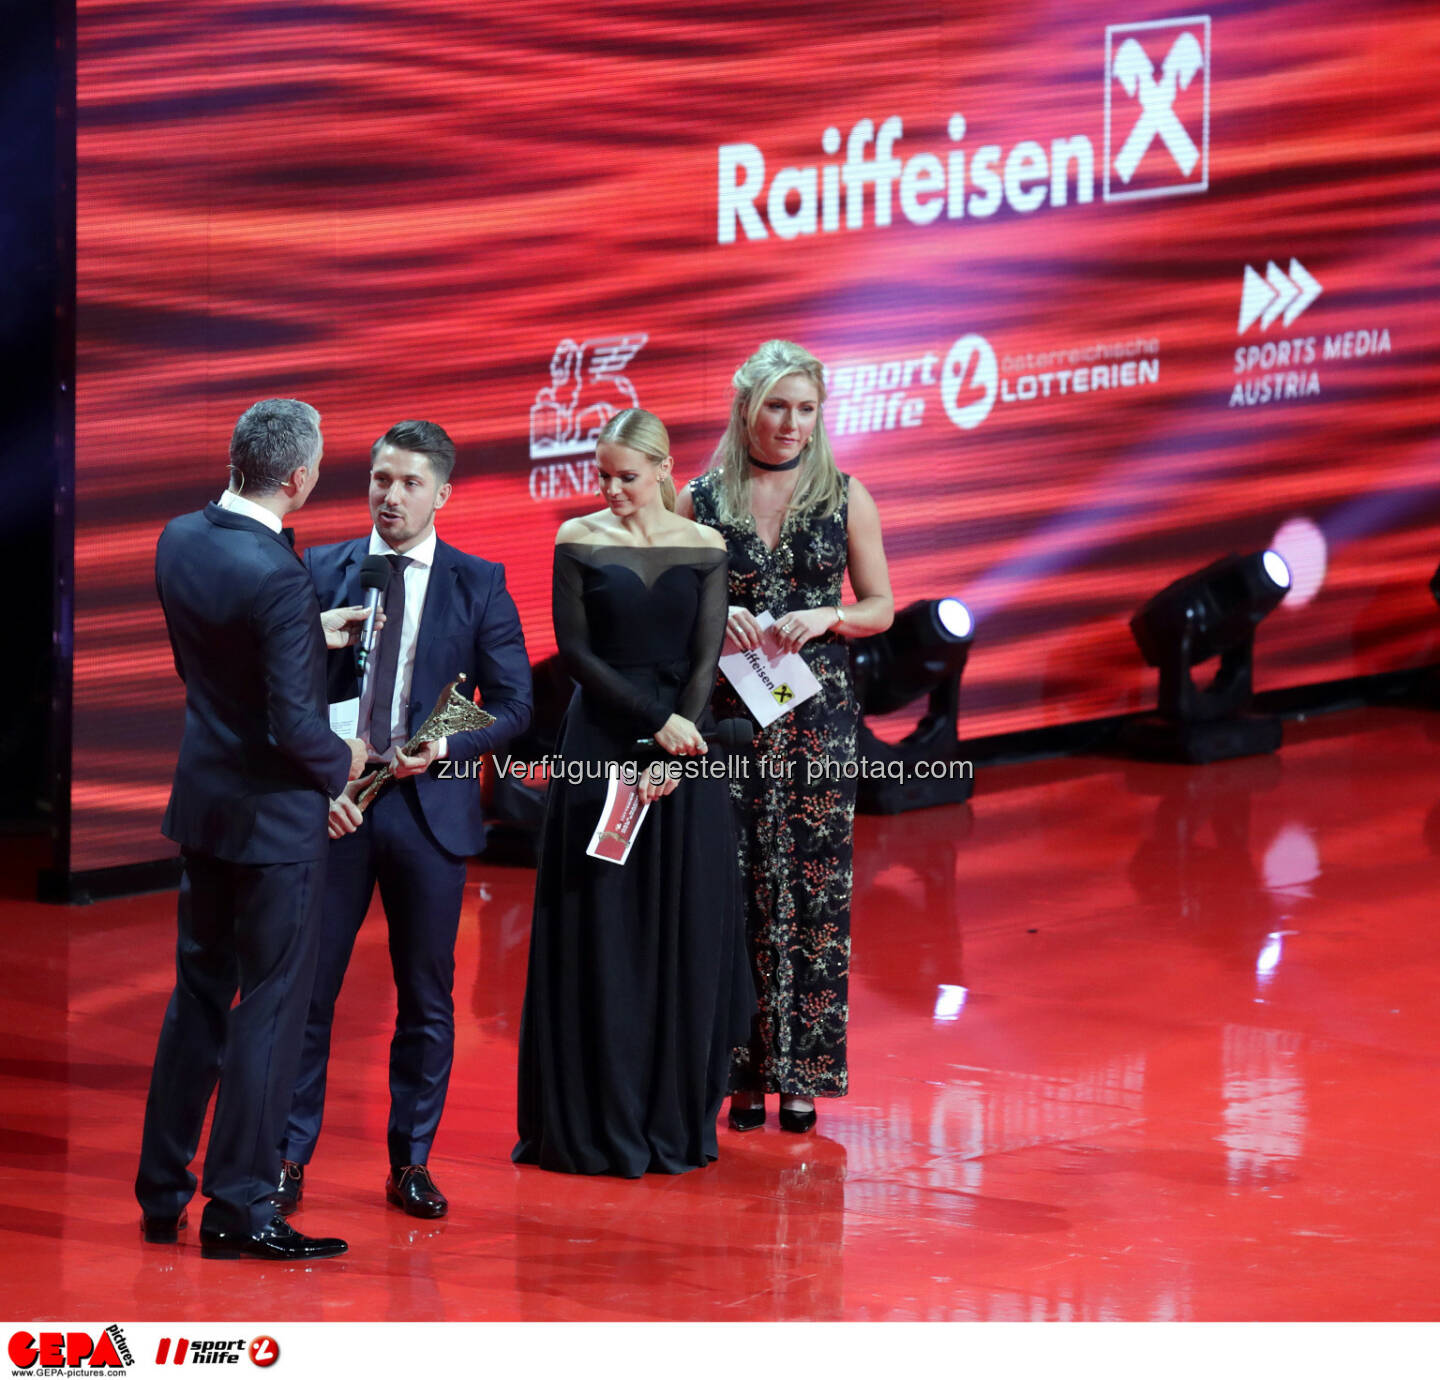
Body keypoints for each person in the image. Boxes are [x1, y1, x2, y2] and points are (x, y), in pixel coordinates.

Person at [275, 420, 532, 1219]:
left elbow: (516, 704)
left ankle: (411, 1163)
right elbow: (290, 696)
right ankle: (286, 1159)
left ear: (442, 494)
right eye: (381, 479)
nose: (391, 495)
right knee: (307, 995)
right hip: (339, 813)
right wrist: (322, 783)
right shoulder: (321, 569)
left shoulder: (477, 581)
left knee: (427, 998)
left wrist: (443, 746)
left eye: (410, 483)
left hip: (428, 815)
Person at [136, 398, 367, 1261]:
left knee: (196, 996)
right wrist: (355, 760)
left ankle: (163, 1193)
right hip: (275, 825)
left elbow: (219, 668)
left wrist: (305, 632)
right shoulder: (278, 575)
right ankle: (239, 1207)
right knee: (268, 1010)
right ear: (300, 478)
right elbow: (291, 730)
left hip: (206, 806)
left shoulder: (178, 537)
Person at [513, 407, 753, 1177]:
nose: (612, 490)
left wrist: (680, 744)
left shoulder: (705, 546)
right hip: (602, 744)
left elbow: (703, 654)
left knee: (682, 923)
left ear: (661, 469)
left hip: (683, 755)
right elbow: (578, 656)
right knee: (602, 924)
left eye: (626, 476)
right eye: (603, 476)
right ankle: (593, 1120)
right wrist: (660, 725)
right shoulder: (577, 540)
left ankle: (673, 1118)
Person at [678, 339, 894, 1134]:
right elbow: (661, 604)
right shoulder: (697, 500)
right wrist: (710, 613)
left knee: (810, 895)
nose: (791, 423)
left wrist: (829, 615)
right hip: (729, 723)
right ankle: (735, 1076)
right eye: (777, 406)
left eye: (805, 409)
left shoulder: (844, 496)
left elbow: (881, 605)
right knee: (731, 892)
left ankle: (801, 1076)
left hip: (816, 722)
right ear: (746, 409)